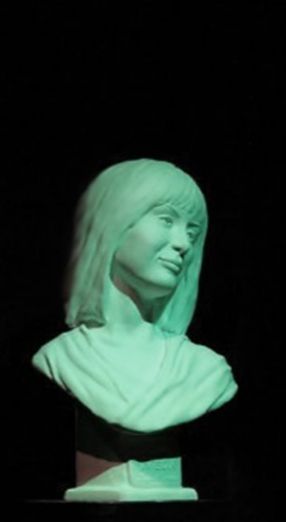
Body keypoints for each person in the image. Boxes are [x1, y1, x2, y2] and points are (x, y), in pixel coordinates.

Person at [32, 159, 237, 501]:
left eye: (192, 232)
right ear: (114, 222)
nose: (183, 244)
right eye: (167, 220)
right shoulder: (62, 357)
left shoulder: (205, 371)